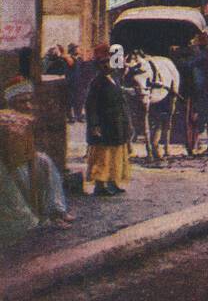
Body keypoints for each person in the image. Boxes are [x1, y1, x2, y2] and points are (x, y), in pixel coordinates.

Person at [2, 76, 74, 226]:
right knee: (23, 172)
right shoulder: (5, 119)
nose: (28, 105)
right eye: (22, 101)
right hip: (7, 163)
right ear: (11, 102)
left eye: (29, 100)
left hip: (23, 157)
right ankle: (39, 216)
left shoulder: (27, 117)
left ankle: (57, 209)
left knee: (44, 161)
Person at [85, 44, 132, 195]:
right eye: (102, 63)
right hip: (104, 126)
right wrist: (95, 125)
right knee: (103, 156)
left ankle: (113, 182)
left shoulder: (115, 80)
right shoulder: (97, 83)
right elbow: (90, 106)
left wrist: (127, 122)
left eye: (108, 62)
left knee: (116, 156)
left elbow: (121, 101)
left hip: (116, 124)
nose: (106, 65)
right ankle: (100, 185)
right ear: (98, 66)